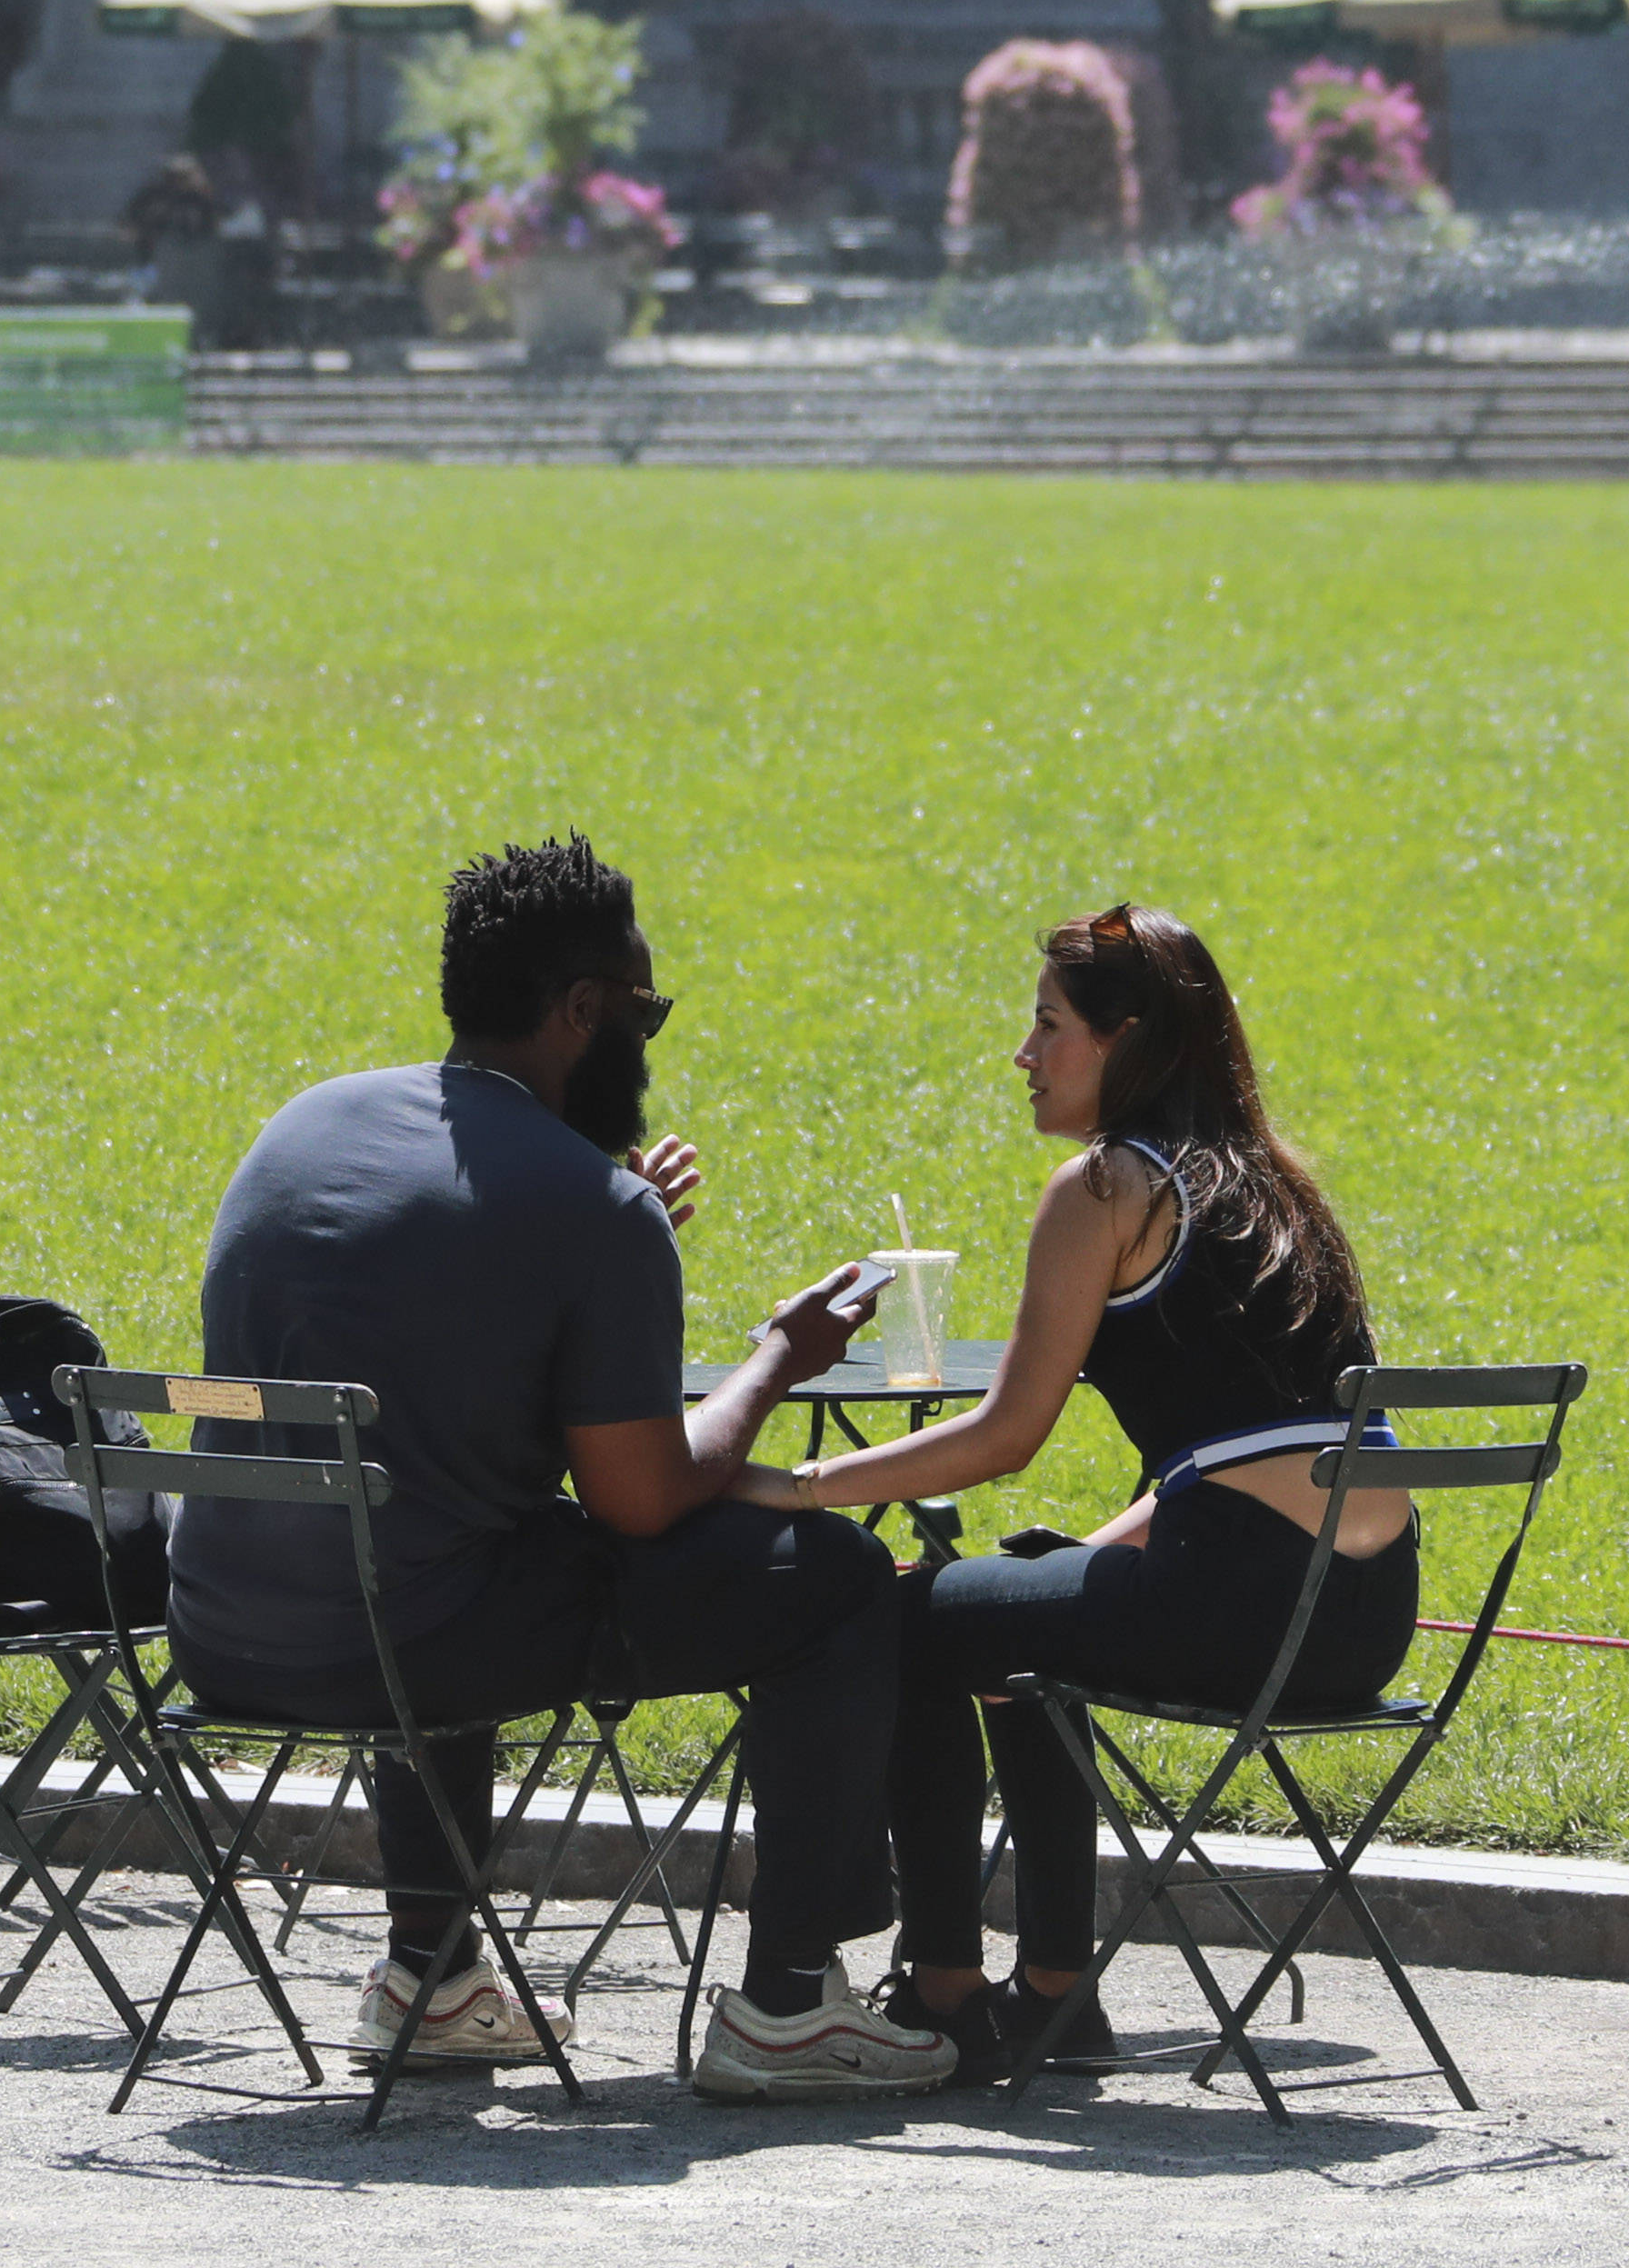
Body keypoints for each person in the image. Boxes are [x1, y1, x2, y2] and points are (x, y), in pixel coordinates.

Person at [168, 835, 958, 2101]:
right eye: (644, 1011)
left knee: (435, 1531)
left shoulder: (303, 1126)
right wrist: (777, 1358)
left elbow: (437, 1355)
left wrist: (606, 1214)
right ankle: (791, 2004)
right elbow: (640, 1499)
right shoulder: (590, 1204)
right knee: (838, 1576)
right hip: (412, 1637)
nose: (650, 1040)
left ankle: (430, 1974)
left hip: (222, 1626)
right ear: (582, 1010)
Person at [736, 903, 1414, 2087]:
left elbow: (1007, 1435)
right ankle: (1054, 1992)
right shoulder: (1282, 1188)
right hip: (1363, 1620)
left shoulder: (1104, 1187)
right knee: (1025, 1597)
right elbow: (1254, 1454)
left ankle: (945, 1985)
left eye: (1048, 1025)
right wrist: (1076, 1558)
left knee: (905, 1614)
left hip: (1234, 1602)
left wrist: (796, 1489)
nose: (1024, 1053)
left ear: (1128, 1040)